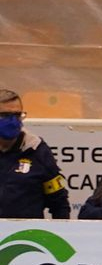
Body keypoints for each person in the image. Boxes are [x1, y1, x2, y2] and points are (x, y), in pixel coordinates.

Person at [0, 89, 70, 220]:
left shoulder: (38, 151)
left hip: (25, 232)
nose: (13, 121)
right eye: (6, 115)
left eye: (17, 115)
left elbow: (60, 203)